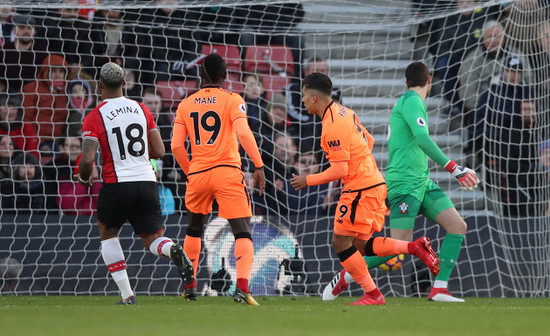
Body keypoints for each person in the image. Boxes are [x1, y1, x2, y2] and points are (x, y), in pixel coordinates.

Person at [323, 62, 480, 302]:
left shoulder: (412, 102)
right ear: (430, 80)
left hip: (422, 182)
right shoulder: (411, 101)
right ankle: (346, 275)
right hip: (403, 183)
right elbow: (423, 139)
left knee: (458, 226)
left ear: (406, 81)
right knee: (400, 243)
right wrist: (454, 167)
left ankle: (439, 289)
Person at [290, 72, 440, 305]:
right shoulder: (345, 112)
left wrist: (307, 180)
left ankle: (373, 293)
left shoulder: (332, 125)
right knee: (361, 245)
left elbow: (339, 170)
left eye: (303, 95)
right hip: (373, 182)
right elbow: (368, 141)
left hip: (360, 188)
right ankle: (414, 247)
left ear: (314, 97)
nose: (301, 100)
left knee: (340, 243)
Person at [75, 62, 194, 305]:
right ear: (124, 84)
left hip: (117, 183)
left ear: (99, 86)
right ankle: (172, 249)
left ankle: (127, 295)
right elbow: (160, 151)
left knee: (108, 235)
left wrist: (83, 176)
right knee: (153, 240)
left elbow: (87, 160)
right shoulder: (141, 109)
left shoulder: (95, 116)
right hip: (147, 182)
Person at [171, 54, 266, 305]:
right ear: (225, 77)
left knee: (194, 228)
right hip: (227, 172)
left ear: (201, 76)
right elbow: (244, 133)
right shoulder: (233, 99)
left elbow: (176, 146)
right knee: (242, 231)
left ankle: (189, 285)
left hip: (199, 174)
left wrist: (190, 170)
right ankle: (243, 288)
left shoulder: (186, 103)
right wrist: (258, 165)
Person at [0, 14, 47, 93]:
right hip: (7, 96)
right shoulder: (3, 51)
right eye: (22, 27)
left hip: (34, 94)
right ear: (14, 30)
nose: (26, 31)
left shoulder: (42, 52)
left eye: (29, 28)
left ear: (34, 30)